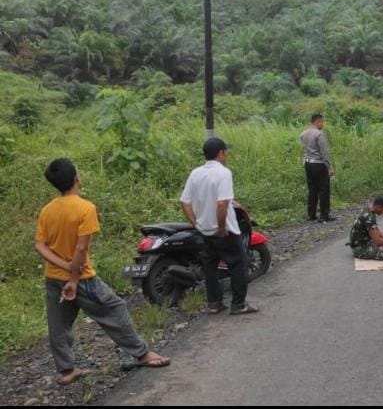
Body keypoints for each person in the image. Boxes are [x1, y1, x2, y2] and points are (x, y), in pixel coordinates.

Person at [34, 158, 171, 385]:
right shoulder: (85, 208)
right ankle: (141, 354)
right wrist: (74, 277)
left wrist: (63, 267)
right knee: (115, 309)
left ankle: (66, 370)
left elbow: (40, 245)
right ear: (77, 177)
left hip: (53, 278)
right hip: (83, 279)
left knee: (58, 324)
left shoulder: (47, 210)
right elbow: (81, 247)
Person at [180, 138, 259, 315]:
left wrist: (196, 223)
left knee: (210, 268)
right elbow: (223, 204)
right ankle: (239, 304)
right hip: (225, 231)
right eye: (226, 152)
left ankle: (214, 303)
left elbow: (184, 201)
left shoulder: (196, 173)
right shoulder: (223, 173)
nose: (227, 156)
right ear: (221, 153)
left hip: (205, 230)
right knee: (238, 265)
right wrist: (222, 227)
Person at [300, 113, 336, 223]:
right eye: (322, 121)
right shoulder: (319, 134)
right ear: (318, 121)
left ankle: (311, 214)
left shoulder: (303, 134)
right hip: (319, 164)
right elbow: (324, 153)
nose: (323, 124)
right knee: (324, 190)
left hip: (308, 164)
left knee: (312, 189)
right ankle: (324, 215)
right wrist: (329, 167)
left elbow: (305, 149)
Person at [348, 195, 383, 260]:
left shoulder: (368, 210)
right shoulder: (369, 217)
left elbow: (378, 233)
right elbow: (378, 241)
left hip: (364, 243)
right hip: (361, 248)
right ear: (379, 206)